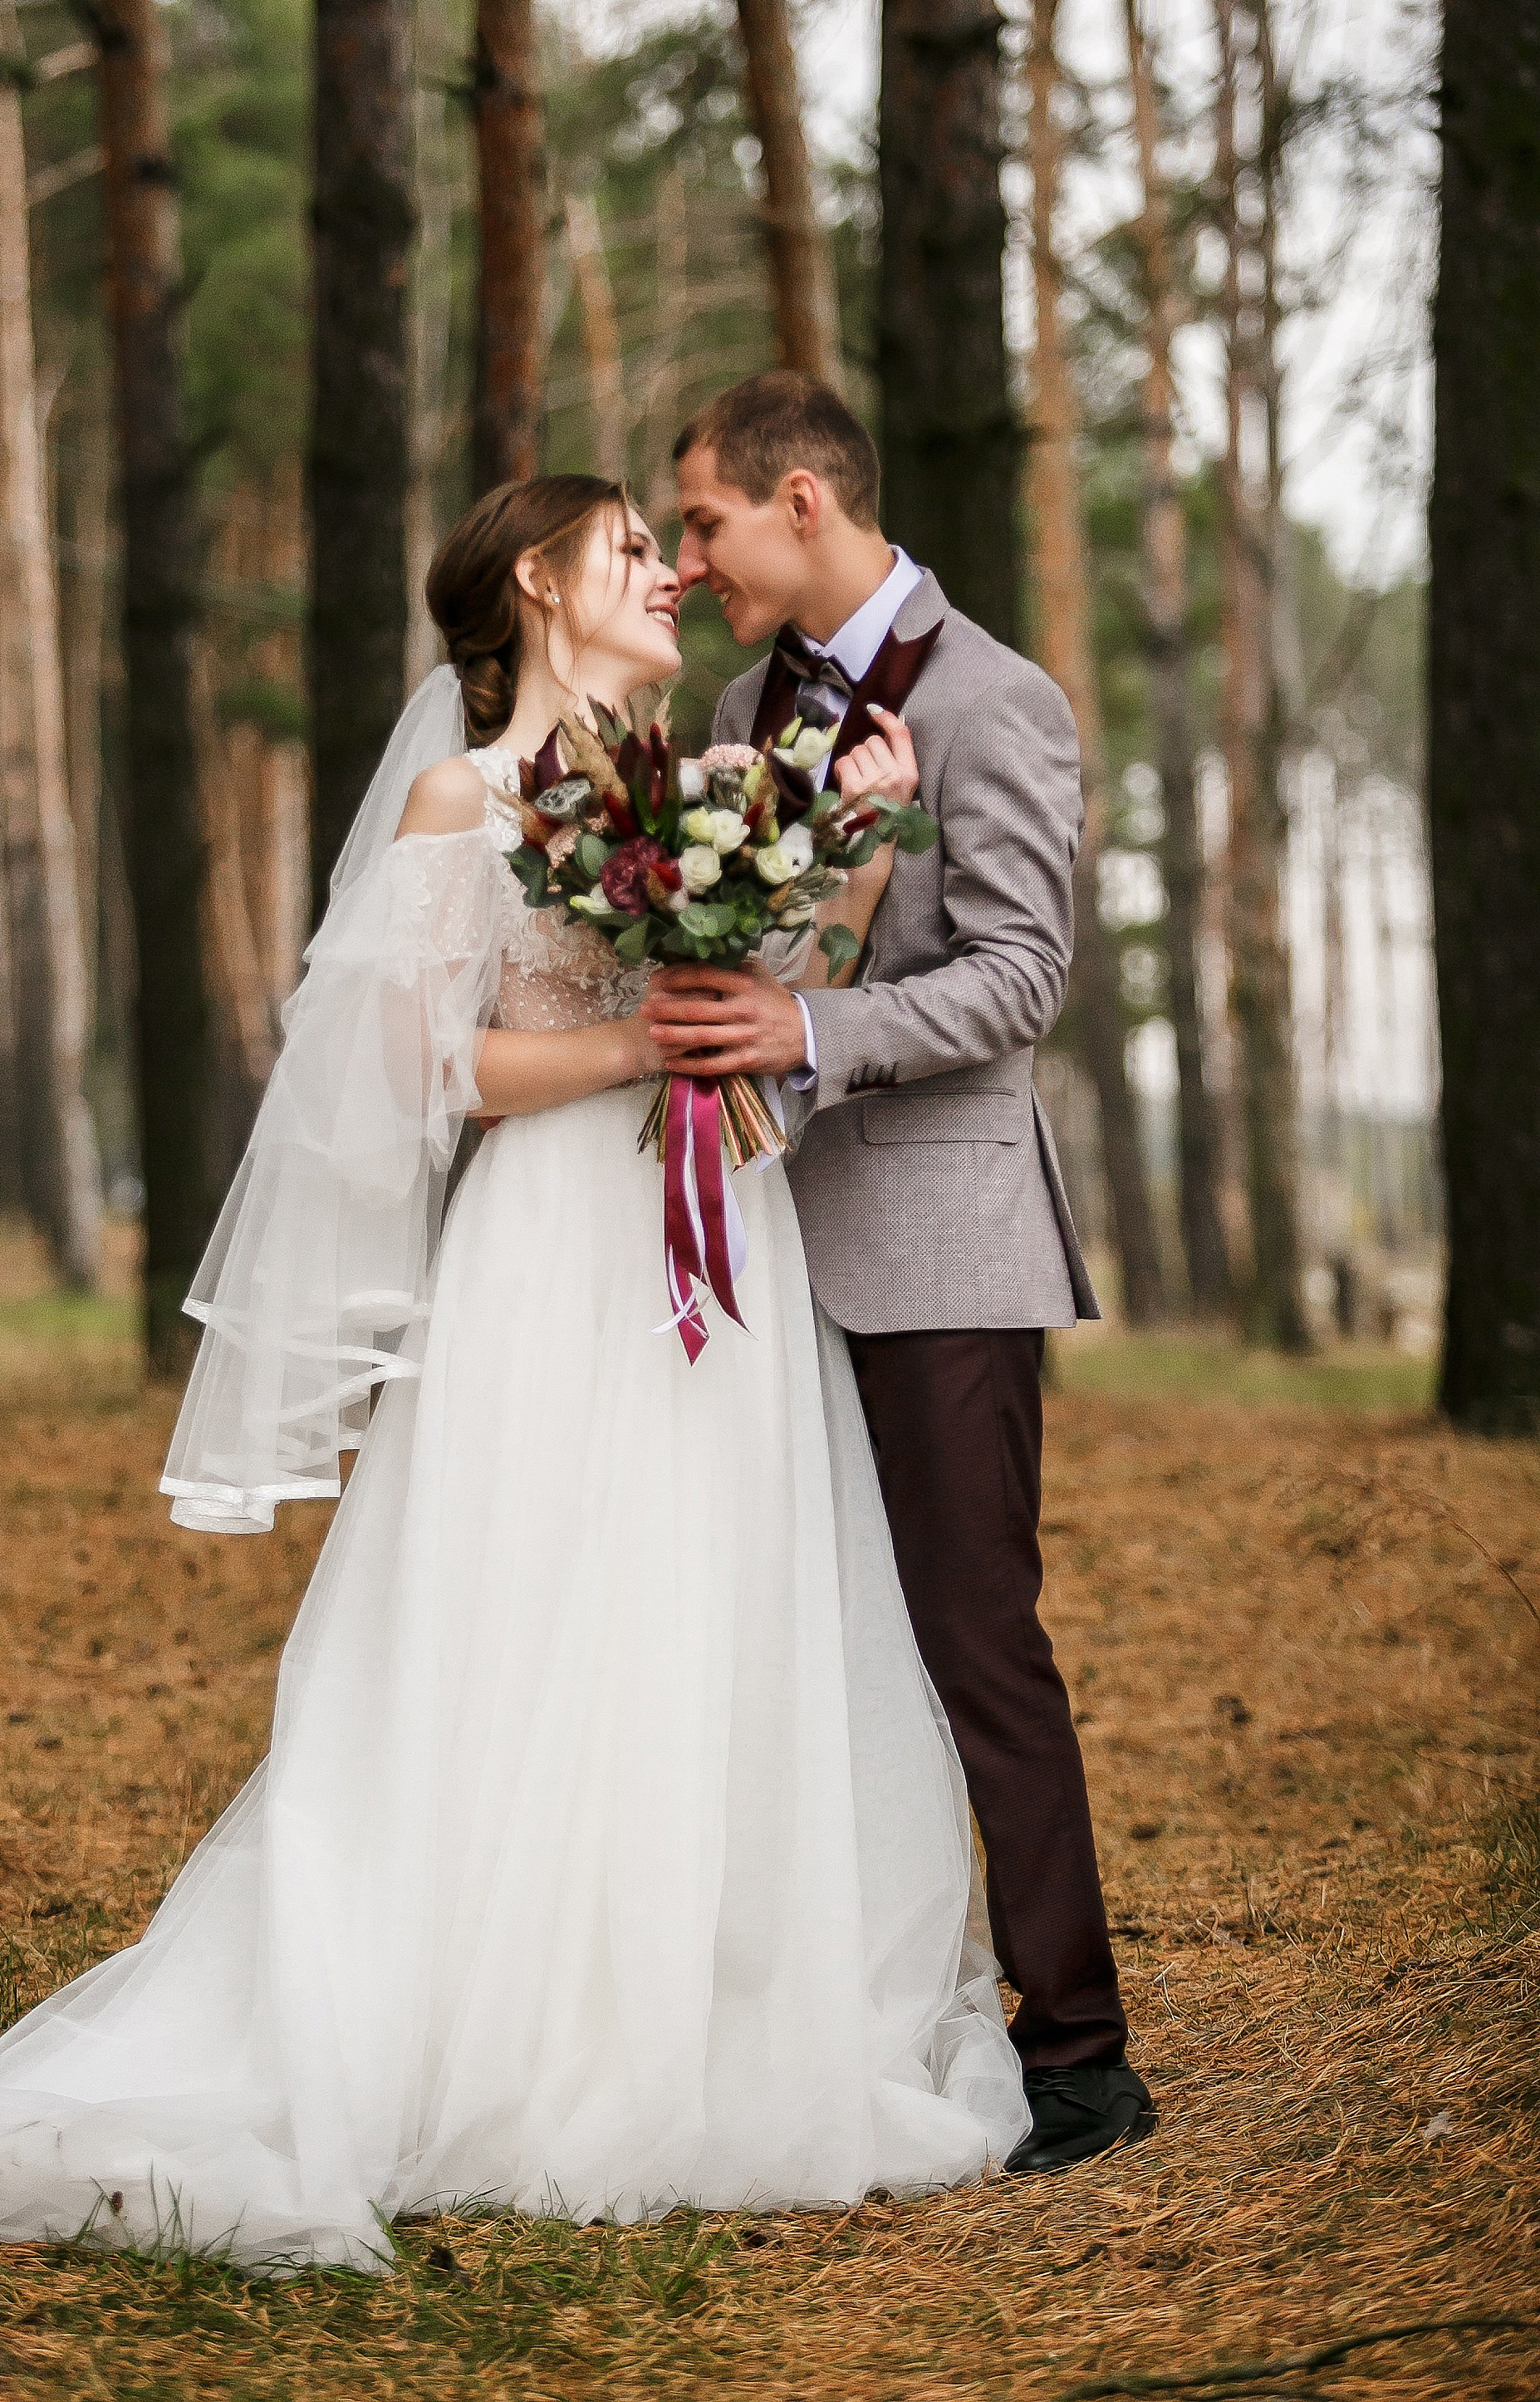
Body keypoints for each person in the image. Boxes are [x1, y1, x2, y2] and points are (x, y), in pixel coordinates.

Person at [0, 474, 1029, 2269]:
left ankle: (689, 2009)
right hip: (551, 1253)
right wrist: (626, 1049)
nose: (670, 575)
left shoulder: (687, 787)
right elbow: (436, 1069)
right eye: (627, 553)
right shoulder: (469, 796)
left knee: (701, 1601)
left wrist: (855, 848)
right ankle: (492, 2020)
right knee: (529, 1605)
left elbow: (771, 992)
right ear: (537, 579)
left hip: (724, 1234)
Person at [642, 370, 1155, 2177]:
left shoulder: (1002, 701)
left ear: (802, 500)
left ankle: (1081, 2047)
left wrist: (808, 1021)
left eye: (701, 521)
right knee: (791, 1647)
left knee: (972, 1647)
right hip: (762, 1252)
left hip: (939, 1250)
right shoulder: (734, 708)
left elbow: (1023, 976)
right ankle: (833, 2014)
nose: (689, 558)